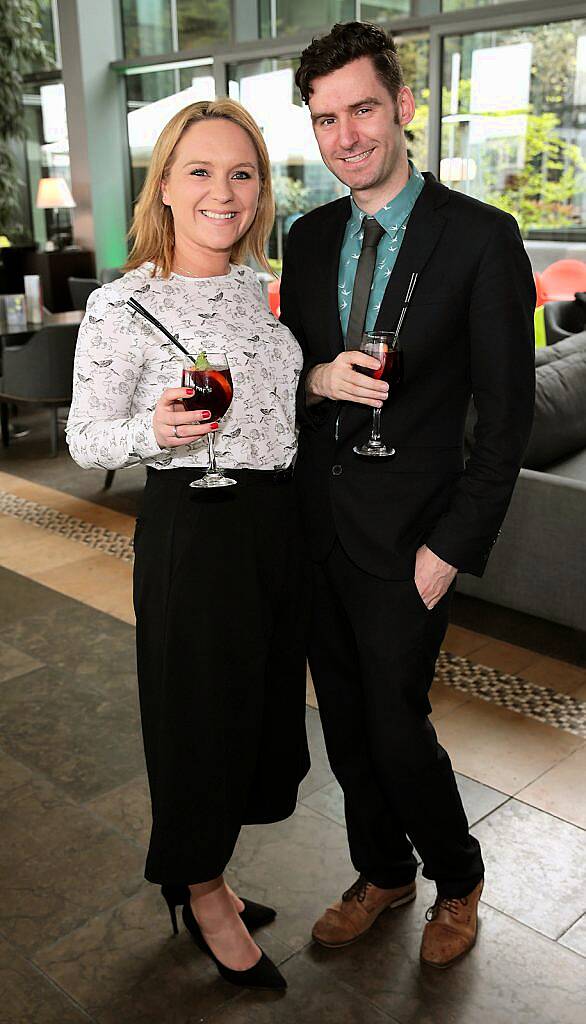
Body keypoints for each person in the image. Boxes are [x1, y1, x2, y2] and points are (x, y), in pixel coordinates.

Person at [280, 22, 535, 969]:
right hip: (320, 526)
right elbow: (294, 373)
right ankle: (381, 872)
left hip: (415, 541)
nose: (345, 136)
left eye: (362, 110)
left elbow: (505, 423)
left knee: (395, 722)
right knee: (344, 720)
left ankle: (457, 877)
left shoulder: (480, 238)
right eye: (324, 119)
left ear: (403, 107)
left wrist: (452, 551)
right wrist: (314, 381)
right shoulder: (305, 240)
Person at [67, 98, 310, 991]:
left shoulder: (255, 286)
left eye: (242, 173)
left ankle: (206, 864)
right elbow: (86, 440)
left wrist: (318, 377)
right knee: (197, 719)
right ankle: (200, 886)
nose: (224, 191)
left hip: (276, 526)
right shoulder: (123, 303)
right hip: (196, 528)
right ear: (164, 184)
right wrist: (155, 428)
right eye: (201, 171)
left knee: (253, 713)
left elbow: (273, 408)